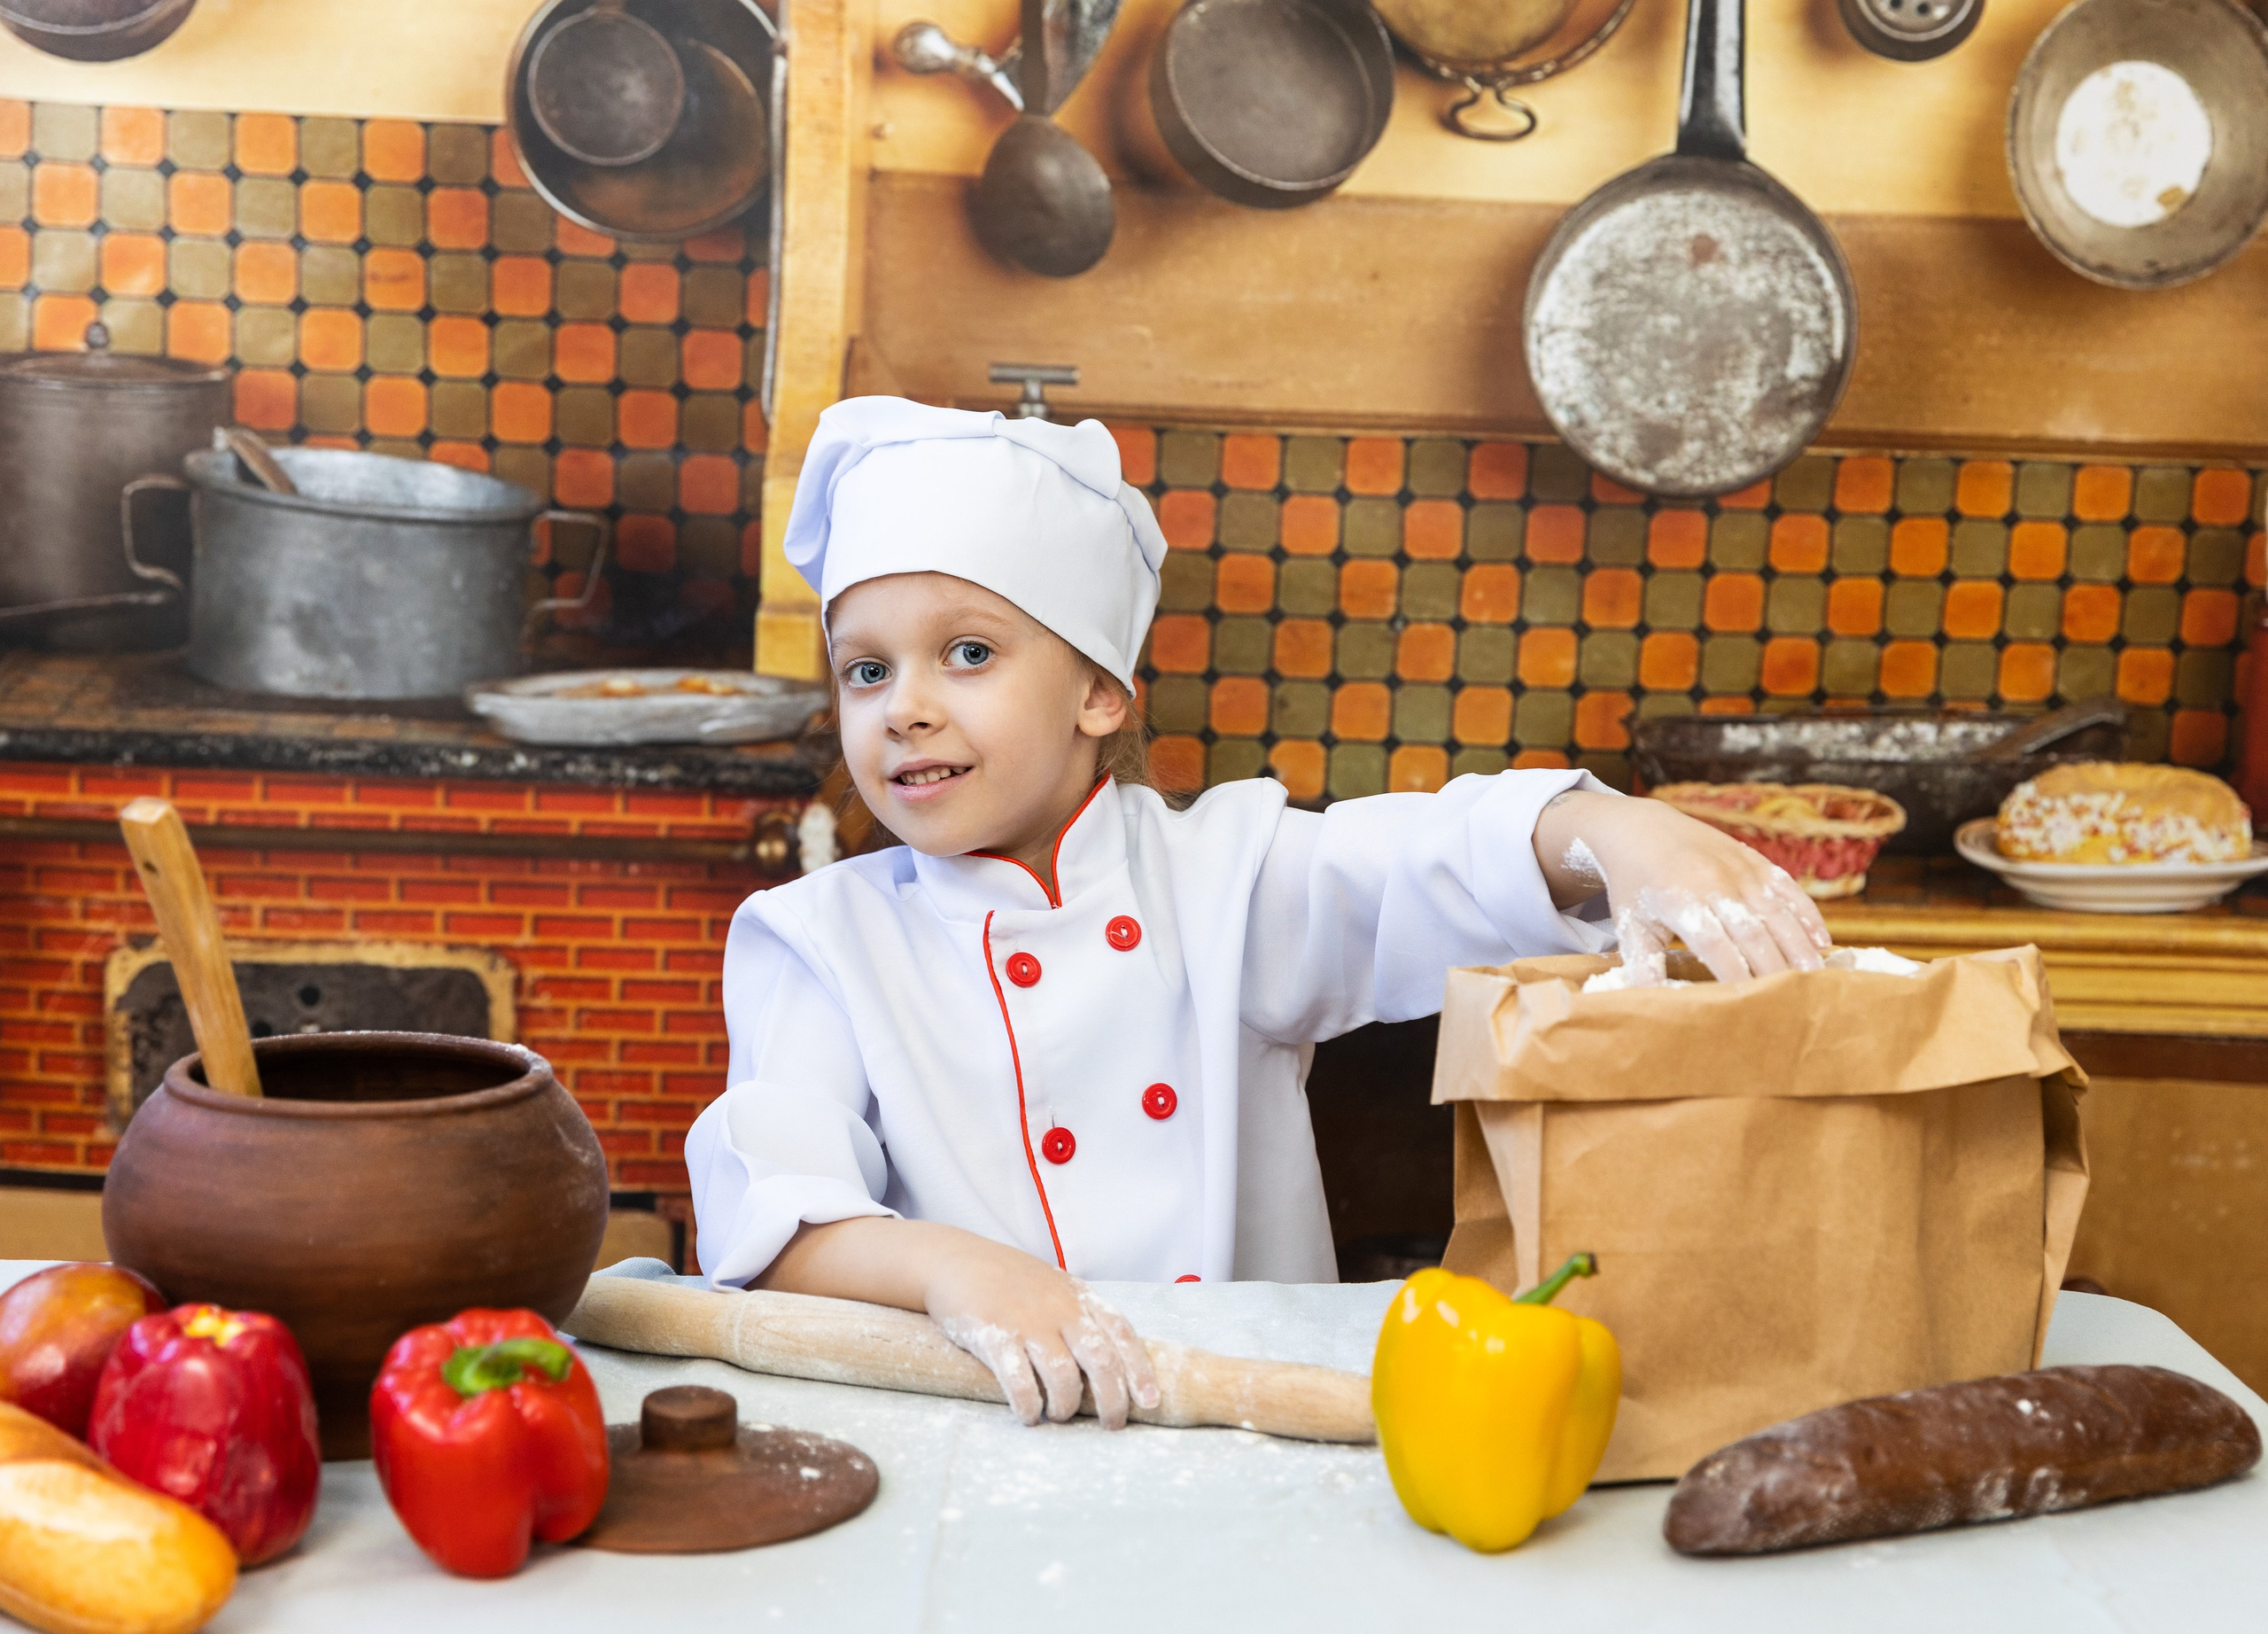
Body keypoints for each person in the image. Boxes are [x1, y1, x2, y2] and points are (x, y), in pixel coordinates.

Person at [686, 398, 1829, 1431]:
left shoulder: (1226, 879)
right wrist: (960, 1273)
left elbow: (1416, 860)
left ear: (1100, 691)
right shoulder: (820, 939)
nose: (906, 710)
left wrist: (1619, 832)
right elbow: (776, 1217)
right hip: (966, 1436)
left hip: (1250, 1429)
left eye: (968, 653)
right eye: (865, 672)